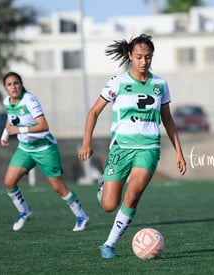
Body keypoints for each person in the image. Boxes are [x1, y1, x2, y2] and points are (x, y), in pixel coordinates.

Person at [78, 34, 187, 259]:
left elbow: (167, 119)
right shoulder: (117, 82)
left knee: (134, 193)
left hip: (148, 149)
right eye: (139, 57)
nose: (144, 61)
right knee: (108, 205)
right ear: (130, 56)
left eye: (148, 57)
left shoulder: (160, 84)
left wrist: (179, 152)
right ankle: (103, 184)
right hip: (120, 149)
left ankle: (109, 244)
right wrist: (86, 142)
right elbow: (94, 112)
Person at [0, 71, 90, 232]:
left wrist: (19, 131)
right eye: (9, 84)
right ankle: (25, 212)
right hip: (25, 149)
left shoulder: (30, 100)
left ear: (21, 84)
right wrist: (5, 134)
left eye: (16, 83)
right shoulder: (7, 102)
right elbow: (11, 117)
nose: (13, 87)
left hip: (44, 148)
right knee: (9, 182)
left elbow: (43, 125)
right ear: (5, 88)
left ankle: (82, 216)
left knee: (59, 187)